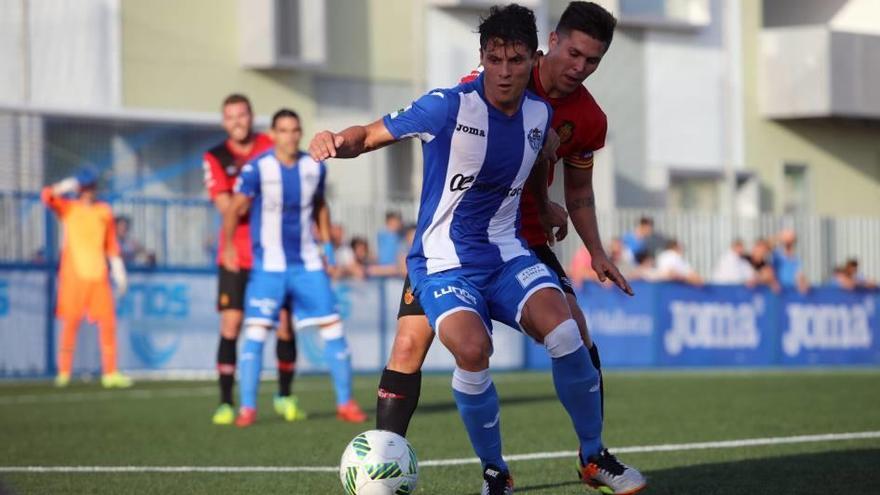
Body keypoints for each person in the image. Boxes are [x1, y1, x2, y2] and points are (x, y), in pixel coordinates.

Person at [309, 4, 643, 494]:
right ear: (484, 57)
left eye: (515, 61)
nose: (504, 72)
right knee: (455, 347)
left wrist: (546, 207)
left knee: (569, 333)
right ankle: (478, 469)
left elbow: (535, 167)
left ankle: (592, 456)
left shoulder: (544, 114)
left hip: (510, 251)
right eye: (495, 60)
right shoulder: (449, 104)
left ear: (533, 57)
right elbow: (372, 133)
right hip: (444, 259)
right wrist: (337, 140)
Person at [223, 109, 366, 427]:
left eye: (294, 130)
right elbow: (235, 207)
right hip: (268, 267)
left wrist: (327, 247)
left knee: (334, 329)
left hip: (308, 264)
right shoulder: (258, 168)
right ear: (273, 134)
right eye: (283, 130)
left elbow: (320, 207)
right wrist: (230, 246)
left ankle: (346, 402)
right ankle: (248, 407)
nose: (289, 136)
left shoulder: (312, 168)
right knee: (256, 334)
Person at [202, 94, 303, 425]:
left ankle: (285, 396)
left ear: (251, 116)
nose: (237, 122)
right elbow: (225, 206)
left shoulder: (269, 144)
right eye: (230, 117)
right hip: (235, 254)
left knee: (285, 326)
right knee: (231, 323)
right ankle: (226, 401)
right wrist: (255, 196)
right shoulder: (215, 156)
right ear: (223, 122)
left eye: (242, 115)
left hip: (276, 254)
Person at [42, 169, 132, 389]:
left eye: (91, 187)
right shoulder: (68, 208)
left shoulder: (104, 211)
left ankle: (110, 373)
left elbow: (110, 244)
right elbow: (47, 196)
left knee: (108, 324)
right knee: (71, 324)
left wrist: (118, 269)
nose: (89, 192)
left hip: (98, 276)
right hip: (74, 276)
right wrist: (68, 183)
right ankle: (64, 372)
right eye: (85, 187)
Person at [772, 228, 809, 293]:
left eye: (791, 239)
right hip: (775, 293)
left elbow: (799, 275)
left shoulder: (797, 259)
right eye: (786, 238)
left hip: (790, 294)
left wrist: (803, 282)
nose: (788, 241)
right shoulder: (775, 255)